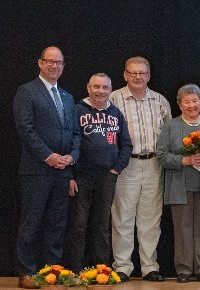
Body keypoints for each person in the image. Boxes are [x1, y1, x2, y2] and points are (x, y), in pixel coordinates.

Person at [13, 46, 80, 290]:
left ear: (63, 66)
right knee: (31, 222)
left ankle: (52, 270)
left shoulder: (67, 97)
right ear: (40, 63)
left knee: (57, 224)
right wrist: (47, 156)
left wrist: (71, 157)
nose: (54, 66)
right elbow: (25, 129)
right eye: (50, 61)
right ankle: (26, 272)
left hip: (62, 171)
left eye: (58, 62)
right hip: (36, 170)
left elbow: (75, 133)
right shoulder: (27, 91)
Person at [156, 84, 200, 283]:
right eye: (186, 102)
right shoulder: (170, 126)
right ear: (179, 105)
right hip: (179, 186)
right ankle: (184, 269)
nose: (191, 105)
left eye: (195, 101)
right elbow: (161, 155)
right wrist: (184, 160)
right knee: (182, 229)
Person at [111, 56, 172, 282]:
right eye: (133, 73)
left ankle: (149, 267)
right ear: (125, 75)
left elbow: (169, 133)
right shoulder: (113, 99)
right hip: (126, 164)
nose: (138, 77)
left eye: (142, 73)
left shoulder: (160, 101)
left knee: (151, 218)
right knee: (122, 216)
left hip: (154, 163)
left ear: (149, 75)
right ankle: (122, 267)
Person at [63, 73, 133, 272]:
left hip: (106, 177)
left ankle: (101, 269)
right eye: (96, 87)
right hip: (81, 176)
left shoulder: (116, 113)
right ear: (88, 88)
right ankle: (75, 269)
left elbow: (126, 145)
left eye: (105, 87)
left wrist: (116, 169)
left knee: (102, 225)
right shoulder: (77, 110)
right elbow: (68, 143)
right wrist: (70, 176)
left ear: (110, 90)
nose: (101, 91)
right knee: (78, 225)